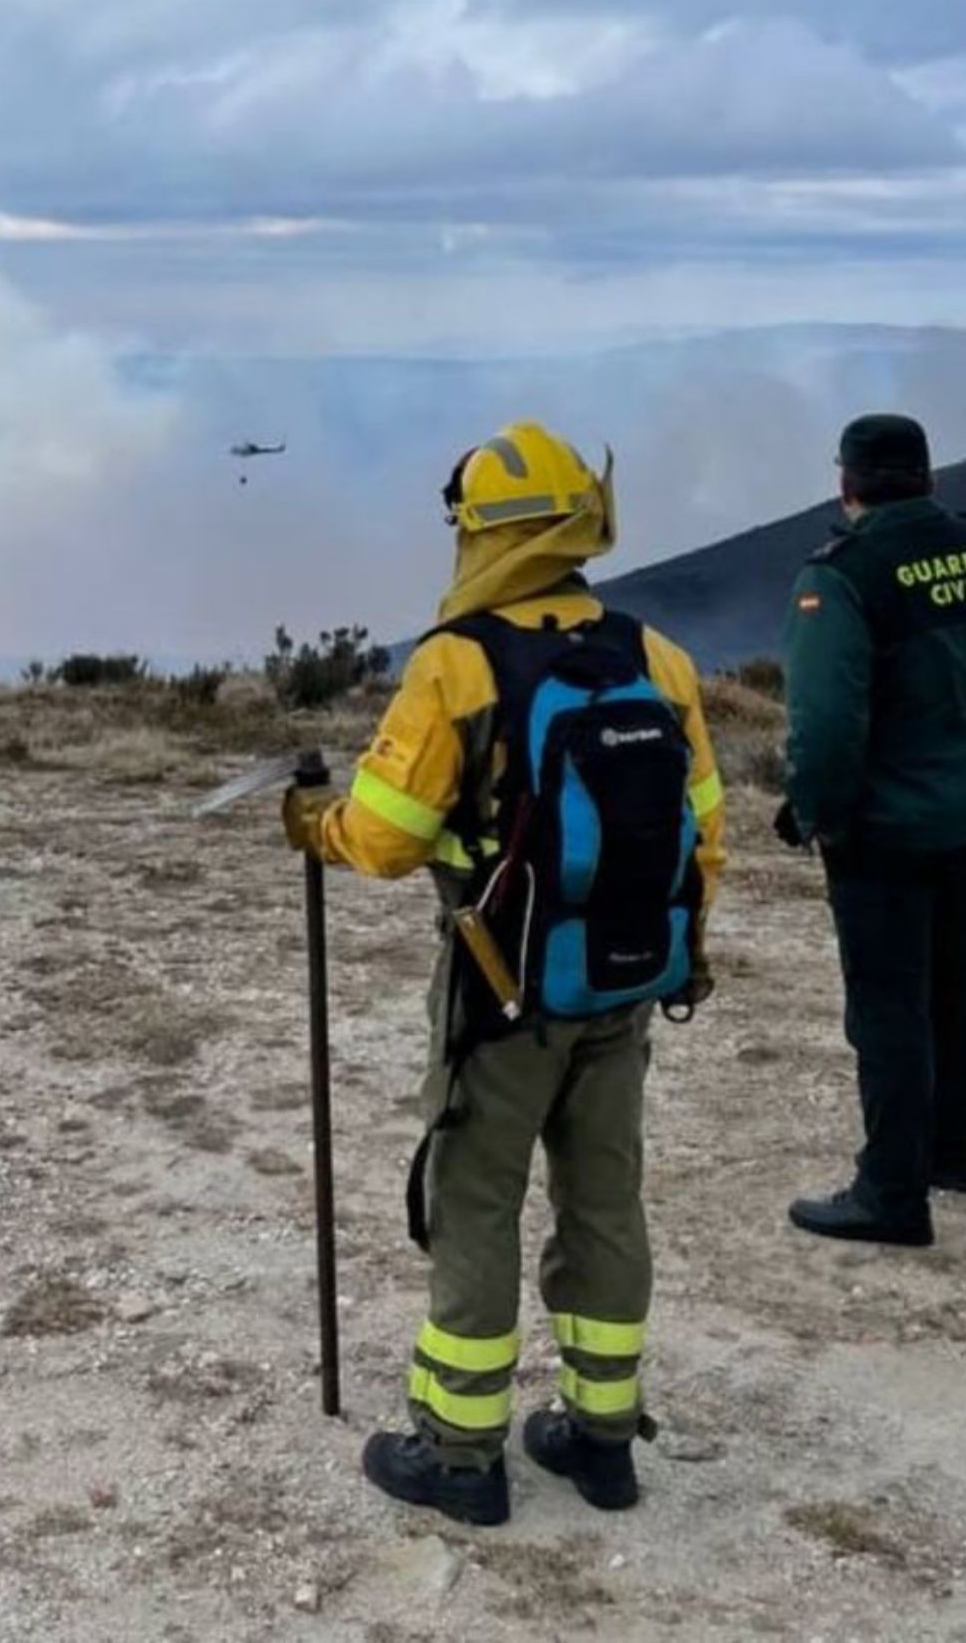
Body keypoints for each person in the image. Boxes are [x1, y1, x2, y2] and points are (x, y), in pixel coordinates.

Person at [282, 421, 726, 1526]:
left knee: (475, 1200)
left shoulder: (457, 662)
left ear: (478, 532)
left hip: (501, 989)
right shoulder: (655, 655)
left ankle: (460, 1451)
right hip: (620, 986)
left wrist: (313, 824)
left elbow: (384, 839)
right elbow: (703, 840)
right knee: (605, 1200)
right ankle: (602, 1438)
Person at [777, 413, 966, 1247]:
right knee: (957, 982)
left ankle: (891, 1193)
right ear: (928, 475)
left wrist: (814, 812)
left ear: (847, 481)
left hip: (885, 830)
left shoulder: (840, 575)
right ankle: (956, 1151)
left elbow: (828, 723)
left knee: (887, 1006)